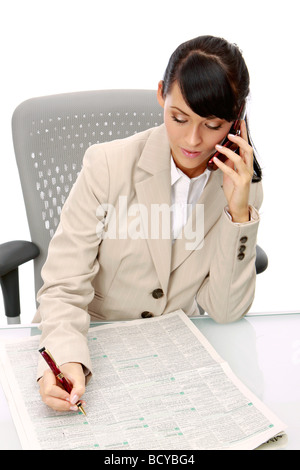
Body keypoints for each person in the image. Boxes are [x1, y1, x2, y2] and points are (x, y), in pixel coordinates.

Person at [36, 35, 263, 412]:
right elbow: (63, 286)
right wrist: (66, 359)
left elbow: (224, 310)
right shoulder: (106, 166)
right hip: (95, 347)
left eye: (212, 124)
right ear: (161, 94)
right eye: (179, 118)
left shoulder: (241, 185)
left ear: (235, 121)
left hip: (175, 362)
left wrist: (238, 214)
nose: (193, 139)